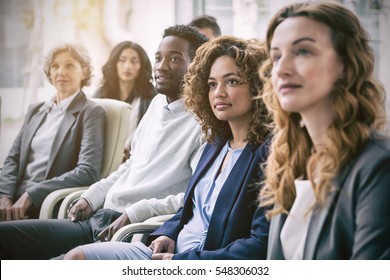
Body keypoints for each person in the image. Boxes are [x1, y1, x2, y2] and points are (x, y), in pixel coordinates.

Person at [0, 24, 208, 259]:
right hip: (96, 217)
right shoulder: (156, 105)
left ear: (195, 67)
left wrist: (136, 212)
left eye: (174, 59)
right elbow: (130, 165)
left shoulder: (203, 124)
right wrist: (92, 196)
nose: (161, 66)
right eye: (158, 57)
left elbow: (197, 196)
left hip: (128, 231)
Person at [64, 35, 271, 260]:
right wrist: (169, 232)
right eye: (212, 84)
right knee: (74, 259)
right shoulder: (216, 144)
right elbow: (191, 206)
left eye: (231, 81)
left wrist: (181, 262)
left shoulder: (268, 155)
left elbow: (259, 246)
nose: (218, 92)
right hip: (165, 253)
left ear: (257, 86)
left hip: (196, 262)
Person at [258, 1, 390, 259]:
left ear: (345, 64)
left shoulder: (378, 167)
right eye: (276, 57)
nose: (282, 69)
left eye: (303, 51)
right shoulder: (289, 161)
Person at [0, 43, 105, 221]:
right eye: (55, 66)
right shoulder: (35, 110)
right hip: (13, 198)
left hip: (44, 202)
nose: (60, 72)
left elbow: (87, 171)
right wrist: (4, 195)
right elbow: (13, 158)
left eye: (69, 65)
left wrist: (32, 194)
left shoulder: (91, 112)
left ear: (84, 72)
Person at [94, 41, 156, 161]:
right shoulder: (100, 95)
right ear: (114, 63)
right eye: (122, 60)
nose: (127, 66)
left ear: (142, 66)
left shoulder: (152, 97)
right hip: (104, 159)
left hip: (136, 160)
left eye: (134, 61)